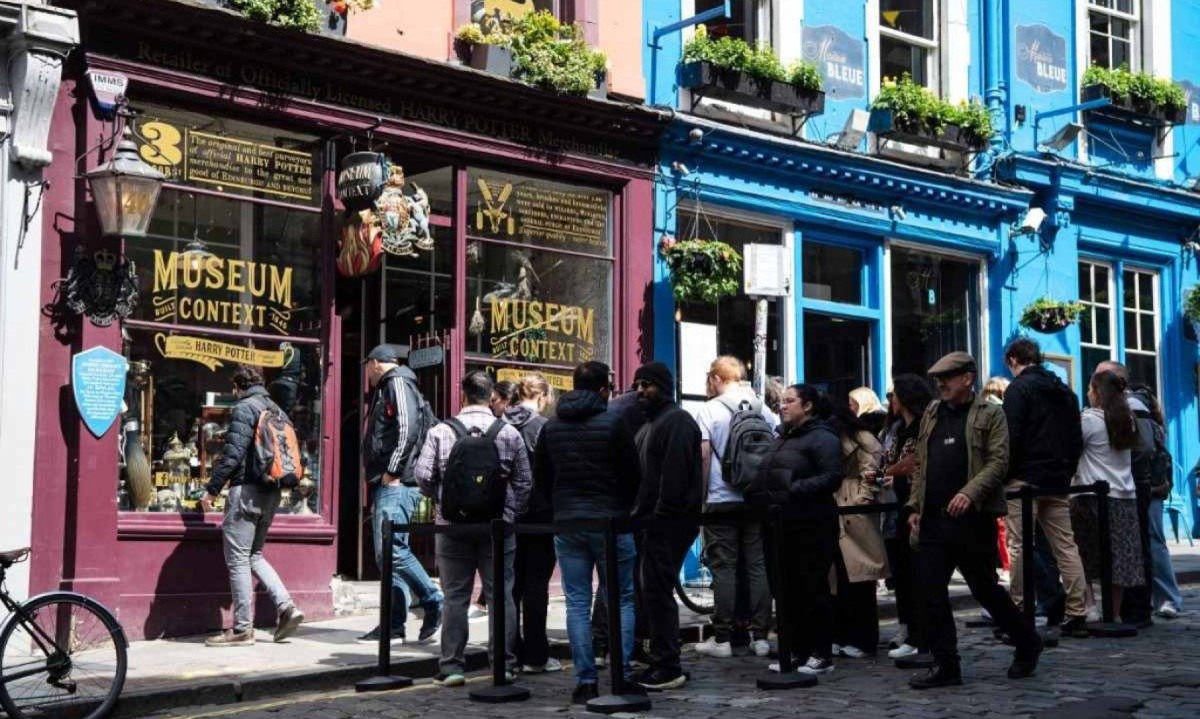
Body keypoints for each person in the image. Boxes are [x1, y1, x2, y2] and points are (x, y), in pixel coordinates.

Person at [906, 352, 1041, 689]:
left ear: (968, 378)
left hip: (972, 519)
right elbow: (920, 462)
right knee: (930, 591)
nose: (941, 383)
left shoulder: (991, 413)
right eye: (938, 378)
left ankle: (1027, 641)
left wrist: (970, 493)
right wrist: (913, 506)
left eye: (948, 377)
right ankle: (946, 664)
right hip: (934, 519)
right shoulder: (932, 413)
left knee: (985, 590)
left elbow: (999, 461)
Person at [415, 371, 532, 688]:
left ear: (462, 394)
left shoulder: (441, 431)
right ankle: (504, 666)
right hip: (497, 528)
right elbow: (524, 482)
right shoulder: (508, 433)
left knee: (455, 597)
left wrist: (442, 499)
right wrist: (508, 513)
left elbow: (422, 475)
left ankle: (452, 667)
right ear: (491, 395)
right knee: (500, 595)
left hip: (452, 527)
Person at [535, 361, 643, 704]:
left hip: (569, 521)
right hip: (611, 520)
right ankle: (622, 676)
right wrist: (621, 506)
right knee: (622, 597)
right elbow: (633, 473)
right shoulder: (614, 422)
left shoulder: (551, 426)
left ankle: (585, 681)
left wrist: (560, 506)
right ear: (602, 389)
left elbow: (541, 477)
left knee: (577, 602)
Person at [201, 365, 303, 647]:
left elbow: (232, 455)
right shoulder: (277, 410)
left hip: (246, 492)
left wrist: (211, 489)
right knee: (254, 555)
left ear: (238, 387)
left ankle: (243, 629)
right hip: (272, 493)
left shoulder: (244, 408)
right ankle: (287, 607)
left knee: (237, 559)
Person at [746, 384, 842, 676]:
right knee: (785, 591)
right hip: (779, 525)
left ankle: (820, 653)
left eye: (790, 401)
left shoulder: (823, 437)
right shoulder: (782, 437)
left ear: (808, 405)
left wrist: (791, 490)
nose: (783, 406)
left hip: (810, 524)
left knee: (812, 588)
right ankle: (796, 651)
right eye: (783, 402)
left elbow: (831, 477)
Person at [1001, 338, 1089, 638]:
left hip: (1025, 478)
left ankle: (1019, 613)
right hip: (1056, 479)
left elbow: (1010, 439)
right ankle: (1077, 611)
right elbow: (1076, 439)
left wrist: (1005, 477)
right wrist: (1066, 471)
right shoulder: (1065, 391)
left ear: (1013, 359)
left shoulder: (1018, 389)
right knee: (1065, 546)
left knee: (1020, 546)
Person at [358, 344, 443, 645]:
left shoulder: (396, 382)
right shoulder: (391, 385)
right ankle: (393, 624)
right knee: (388, 555)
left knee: (392, 550)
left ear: (377, 363)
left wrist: (392, 471)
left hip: (397, 482)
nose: (365, 371)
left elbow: (407, 429)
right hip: (391, 481)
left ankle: (433, 599)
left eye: (366, 364)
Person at [692, 356, 774, 660]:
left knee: (723, 568)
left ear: (716, 378)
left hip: (720, 499)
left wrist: (702, 498)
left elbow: (702, 456)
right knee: (757, 565)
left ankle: (723, 637)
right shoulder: (762, 408)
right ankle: (761, 636)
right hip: (754, 499)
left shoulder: (709, 409)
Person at [630, 361, 703, 690]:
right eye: (638, 385)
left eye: (647, 384)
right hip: (652, 522)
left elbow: (673, 479)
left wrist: (660, 516)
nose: (641, 390)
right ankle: (659, 657)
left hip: (668, 523)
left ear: (665, 386)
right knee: (652, 591)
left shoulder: (677, 421)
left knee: (658, 591)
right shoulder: (651, 424)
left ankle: (668, 664)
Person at [1070, 371, 1144, 619]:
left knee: (1084, 552)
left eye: (1091, 389)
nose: (1089, 394)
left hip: (1091, 494)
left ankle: (1090, 606)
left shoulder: (1090, 420)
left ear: (1097, 392)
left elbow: (1071, 450)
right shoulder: (1128, 419)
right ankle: (1114, 611)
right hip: (1124, 496)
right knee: (1119, 559)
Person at [1093, 361, 1160, 626]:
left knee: (1137, 544)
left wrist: (1126, 469)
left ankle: (1140, 608)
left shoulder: (1133, 406)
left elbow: (1143, 448)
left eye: (1099, 378)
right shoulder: (1116, 408)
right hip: (1126, 483)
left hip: (1134, 484)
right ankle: (1131, 606)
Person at [503, 374, 560, 674]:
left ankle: (509, 653)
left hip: (507, 515)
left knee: (511, 585)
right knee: (537, 586)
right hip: (540, 514)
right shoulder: (542, 427)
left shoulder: (501, 422)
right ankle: (536, 655)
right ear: (542, 397)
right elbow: (554, 473)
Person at [829, 403, 888, 658]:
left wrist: (862, 500)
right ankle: (842, 634)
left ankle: (863, 638)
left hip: (853, 509)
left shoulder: (862, 439)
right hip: (837, 505)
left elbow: (871, 473)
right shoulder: (834, 437)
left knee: (860, 576)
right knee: (838, 577)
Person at [880, 375, 932, 661]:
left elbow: (915, 461)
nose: (891, 400)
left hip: (917, 505)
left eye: (894, 395)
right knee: (902, 573)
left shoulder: (923, 425)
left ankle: (920, 635)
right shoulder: (898, 428)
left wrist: (889, 472)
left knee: (917, 573)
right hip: (898, 505)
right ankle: (910, 630)